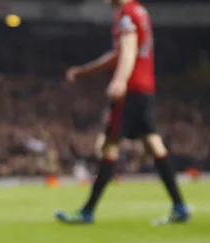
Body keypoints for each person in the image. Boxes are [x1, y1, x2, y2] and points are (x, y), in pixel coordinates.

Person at [55, 0, 190, 225]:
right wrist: (84, 72)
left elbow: (128, 49)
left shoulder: (126, 14)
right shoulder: (140, 11)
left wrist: (120, 80)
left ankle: (87, 212)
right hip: (145, 88)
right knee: (153, 143)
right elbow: (120, 53)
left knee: (109, 146)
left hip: (130, 89)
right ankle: (180, 206)